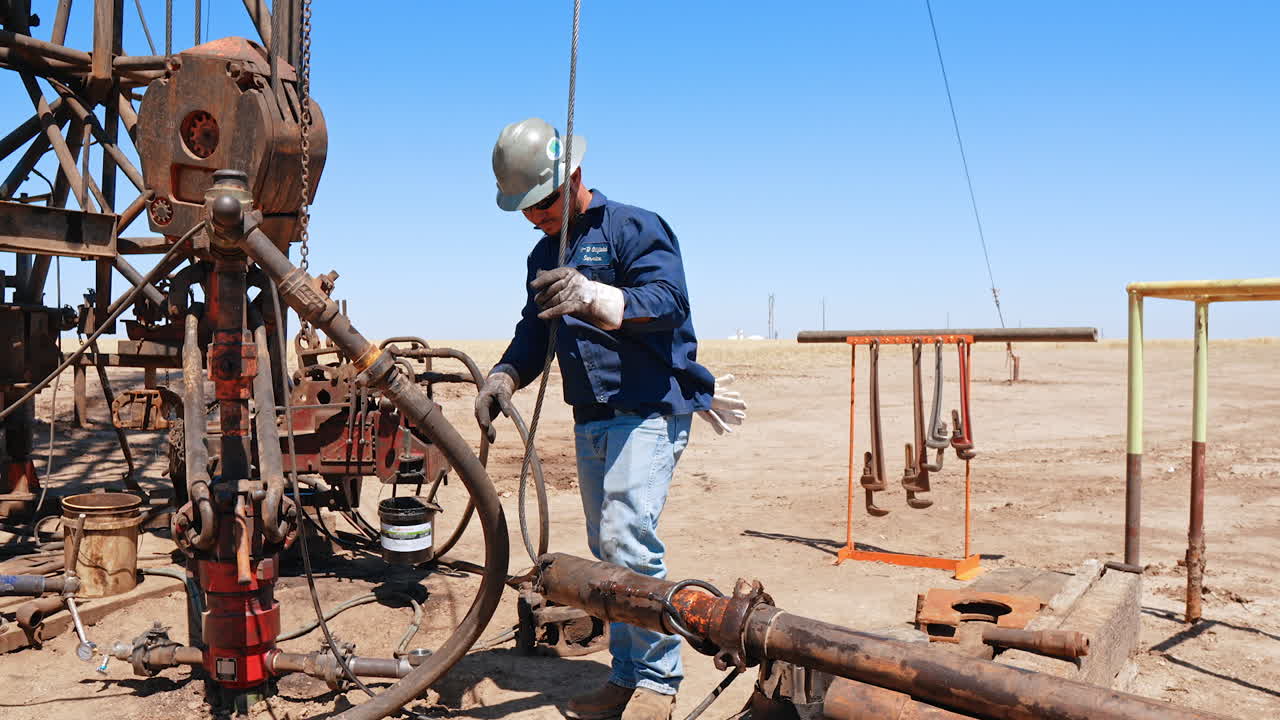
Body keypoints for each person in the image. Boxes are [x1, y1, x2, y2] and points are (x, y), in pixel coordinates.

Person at [476, 118, 746, 720]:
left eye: (543, 203)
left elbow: (667, 301)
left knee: (628, 542)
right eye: (525, 210)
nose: (538, 218)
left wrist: (596, 296)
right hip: (591, 416)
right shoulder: (544, 252)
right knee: (609, 551)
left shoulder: (632, 227)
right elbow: (534, 334)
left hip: (648, 410)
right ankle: (627, 676)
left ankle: (657, 683)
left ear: (573, 177)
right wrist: (504, 375)